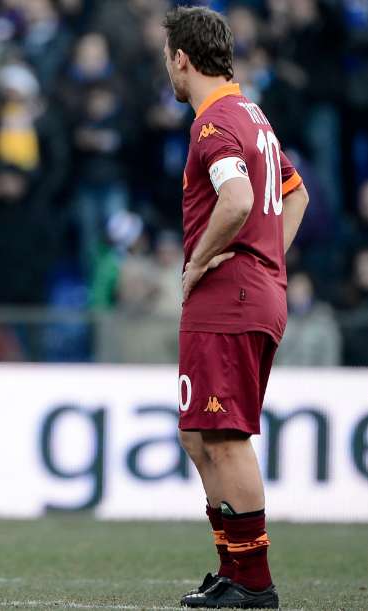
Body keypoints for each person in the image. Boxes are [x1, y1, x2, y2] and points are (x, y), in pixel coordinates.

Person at [162, 7, 309, 609]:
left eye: (167, 59)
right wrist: (268, 258)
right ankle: (233, 569)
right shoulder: (251, 115)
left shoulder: (215, 123)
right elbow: (296, 195)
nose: (167, 70)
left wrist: (200, 262)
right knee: (198, 434)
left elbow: (238, 199)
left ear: (181, 59)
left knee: (224, 436)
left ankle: (254, 583)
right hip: (247, 291)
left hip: (231, 295)